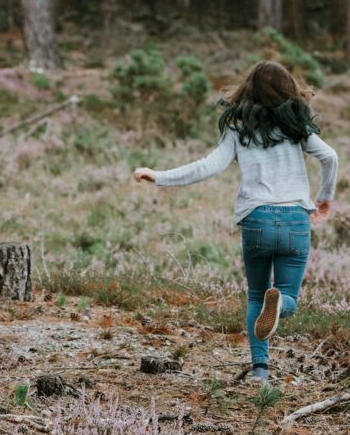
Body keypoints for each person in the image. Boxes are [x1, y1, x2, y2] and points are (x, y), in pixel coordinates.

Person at [133, 61, 338, 382]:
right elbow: (330, 157)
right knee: (289, 299)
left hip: (257, 219)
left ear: (248, 91)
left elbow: (207, 167)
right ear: (288, 90)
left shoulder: (238, 129)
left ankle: (260, 371)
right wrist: (324, 199)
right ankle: (280, 302)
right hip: (296, 218)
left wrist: (157, 176)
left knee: (256, 295)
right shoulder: (297, 128)